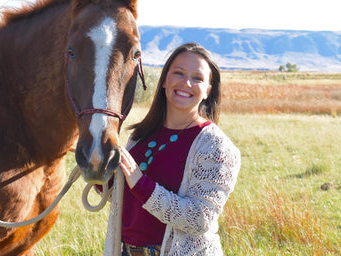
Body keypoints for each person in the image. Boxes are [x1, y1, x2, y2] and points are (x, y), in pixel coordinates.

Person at [103, 42, 241, 256]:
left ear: (207, 91)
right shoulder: (140, 135)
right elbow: (124, 198)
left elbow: (200, 219)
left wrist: (140, 182)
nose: (186, 83)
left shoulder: (216, 147)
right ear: (165, 80)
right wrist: (101, 178)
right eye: (178, 73)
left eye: (197, 78)